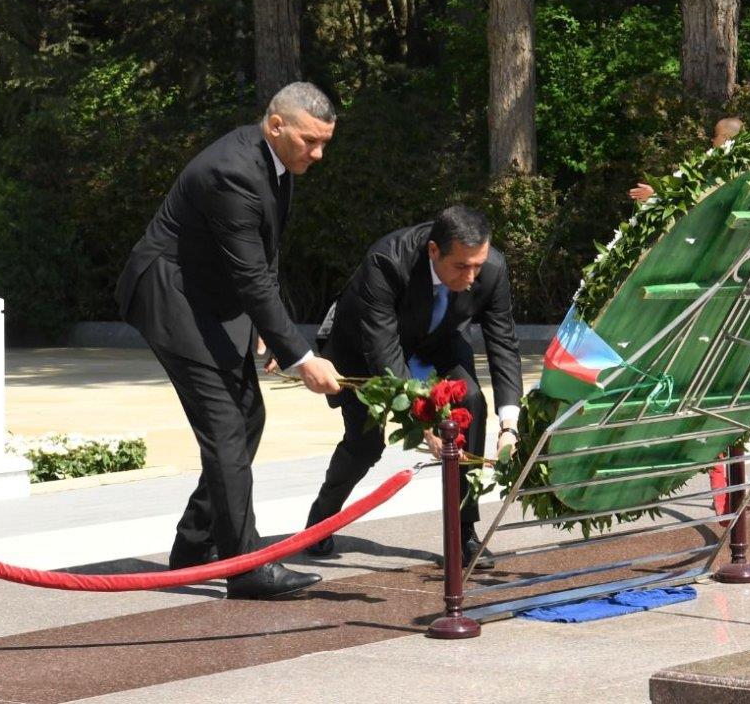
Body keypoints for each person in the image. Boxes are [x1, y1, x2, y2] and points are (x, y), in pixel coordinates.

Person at [116, 82, 343, 600]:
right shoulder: (232, 170)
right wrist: (302, 356)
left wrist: (272, 330)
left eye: (325, 142)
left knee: (247, 417)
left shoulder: (277, 164)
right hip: (170, 295)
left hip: (209, 296)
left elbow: (264, 255)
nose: (318, 154)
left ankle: (195, 547)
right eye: (310, 141)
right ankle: (245, 567)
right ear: (276, 125)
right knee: (225, 425)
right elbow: (251, 276)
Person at [304, 205, 522, 568]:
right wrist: (424, 425)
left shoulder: (492, 268)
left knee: (470, 400)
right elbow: (385, 355)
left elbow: (503, 343)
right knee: (365, 444)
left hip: (438, 341)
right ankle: (322, 519)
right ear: (434, 251)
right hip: (367, 349)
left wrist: (509, 426)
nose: (472, 277)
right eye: (461, 267)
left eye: (478, 266)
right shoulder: (387, 262)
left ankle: (463, 531)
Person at [629, 117, 745, 203]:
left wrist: (655, 194)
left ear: (726, 138)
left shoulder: (715, 164)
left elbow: (687, 191)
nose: (712, 140)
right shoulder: (745, 165)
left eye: (715, 135)